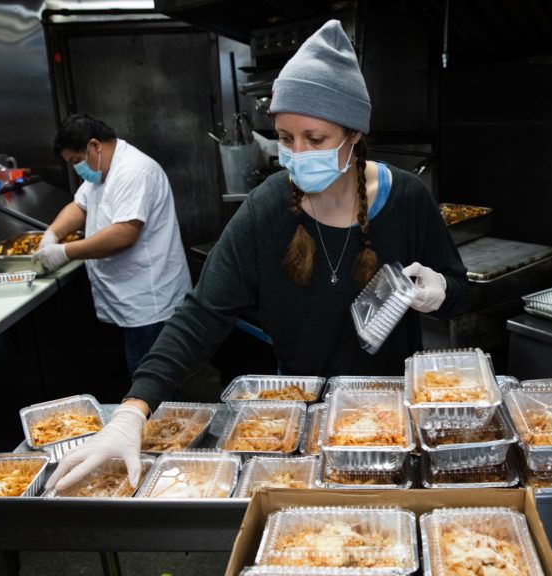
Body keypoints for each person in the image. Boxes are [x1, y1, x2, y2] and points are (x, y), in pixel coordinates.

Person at [46, 20, 467, 491]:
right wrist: (131, 411)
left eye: (315, 139)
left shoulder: (407, 198)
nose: (297, 153)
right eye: (286, 139)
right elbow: (203, 312)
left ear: (354, 135)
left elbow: (458, 293)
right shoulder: (269, 207)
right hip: (299, 418)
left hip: (389, 411)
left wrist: (441, 290)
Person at [35, 114, 191, 375]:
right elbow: (79, 205)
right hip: (128, 298)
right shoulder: (101, 172)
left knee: (152, 386)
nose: (77, 169)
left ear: (94, 145)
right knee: (142, 381)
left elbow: (123, 234)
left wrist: (64, 252)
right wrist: (51, 235)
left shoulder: (132, 170)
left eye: (76, 161)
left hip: (149, 303)